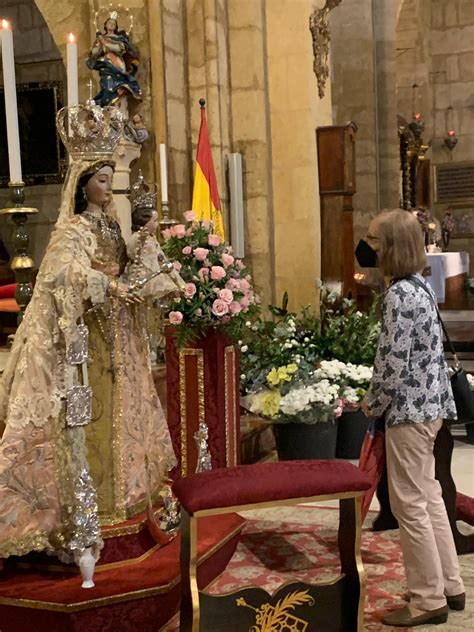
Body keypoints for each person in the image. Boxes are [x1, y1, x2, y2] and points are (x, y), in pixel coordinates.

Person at [0, 159, 176, 573]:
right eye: (100, 181)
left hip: (119, 335)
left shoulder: (111, 227)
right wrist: (110, 284)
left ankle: (129, 496)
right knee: (92, 422)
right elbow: (64, 272)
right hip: (89, 340)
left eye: (108, 181)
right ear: (82, 187)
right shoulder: (72, 228)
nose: (107, 189)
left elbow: (124, 259)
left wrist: (142, 242)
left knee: (128, 413)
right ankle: (88, 507)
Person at [361, 209, 465, 627]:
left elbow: (392, 364)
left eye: (372, 240)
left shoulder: (399, 295)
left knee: (411, 507)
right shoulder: (418, 286)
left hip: (408, 412)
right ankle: (450, 586)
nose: (366, 248)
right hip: (430, 410)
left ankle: (426, 600)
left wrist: (371, 404)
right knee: (430, 497)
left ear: (391, 246)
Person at [86, 14, 141, 109]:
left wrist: (104, 42)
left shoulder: (119, 39)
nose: (111, 25)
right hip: (106, 67)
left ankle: (120, 114)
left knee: (120, 89)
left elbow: (119, 49)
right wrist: (99, 46)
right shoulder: (101, 38)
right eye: (109, 23)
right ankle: (108, 112)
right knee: (108, 88)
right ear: (105, 25)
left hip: (117, 66)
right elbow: (94, 53)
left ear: (116, 27)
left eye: (113, 23)